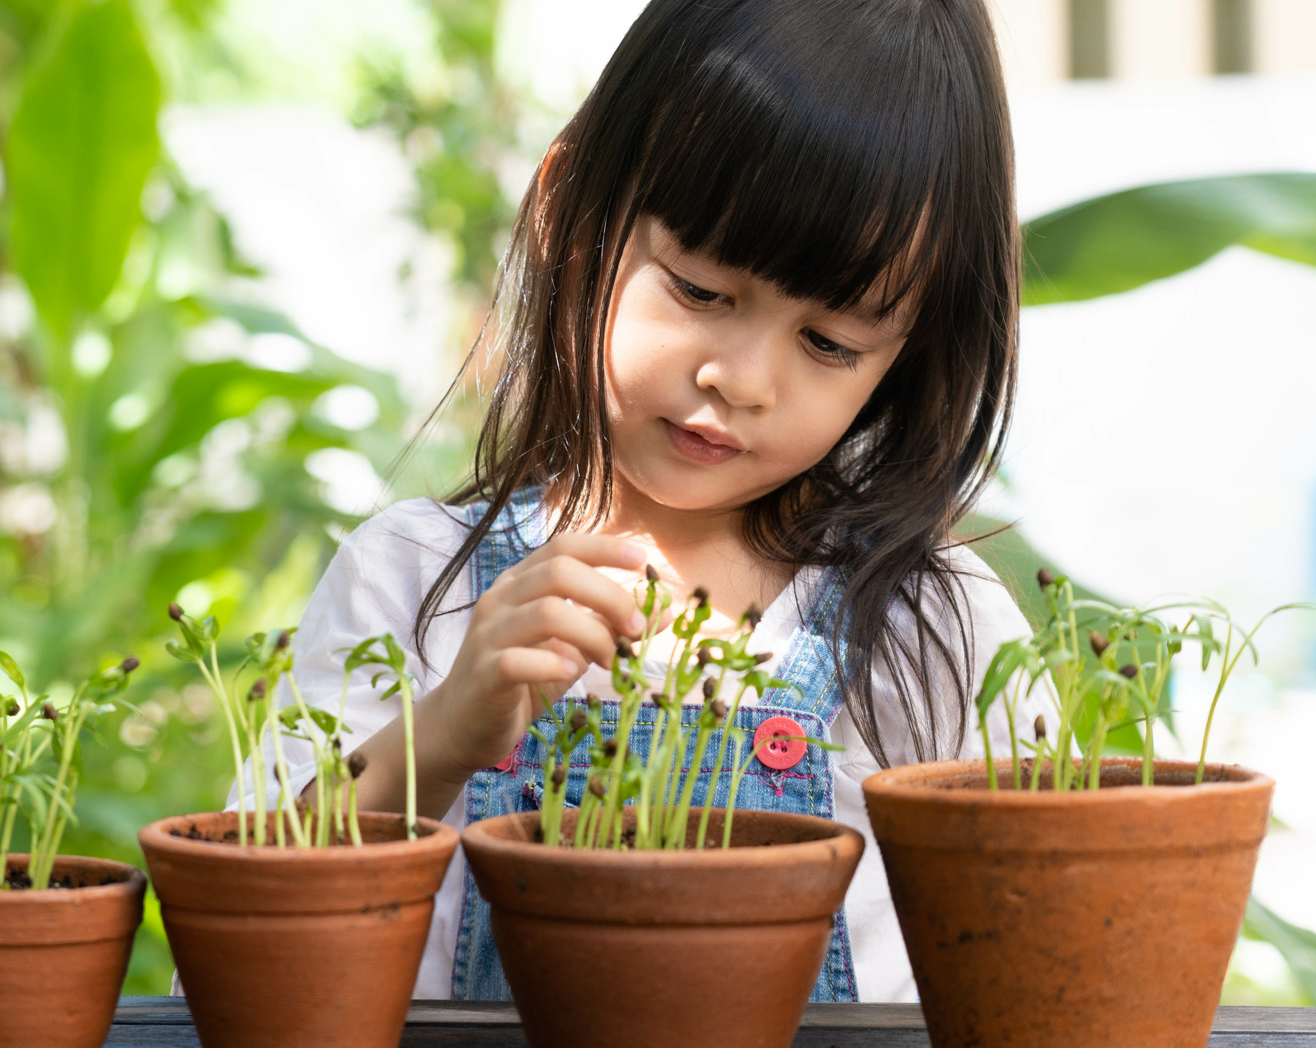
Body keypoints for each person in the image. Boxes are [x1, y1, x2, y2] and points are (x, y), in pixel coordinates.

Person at [274, 0, 1058, 1004]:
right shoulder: (408, 579)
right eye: (697, 289)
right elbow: (258, 907)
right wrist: (445, 732)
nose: (741, 378)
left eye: (827, 344)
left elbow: (1036, 963)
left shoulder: (928, 624)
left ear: (906, 352)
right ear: (570, 217)